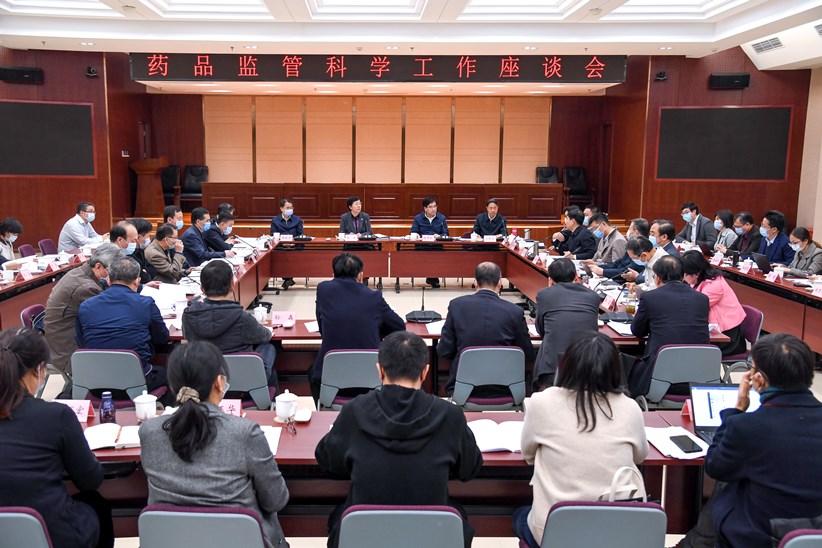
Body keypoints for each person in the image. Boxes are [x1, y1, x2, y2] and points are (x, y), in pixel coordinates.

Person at [315, 331, 483, 548]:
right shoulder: (450, 416)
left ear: (380, 371)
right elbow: (469, 469)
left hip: (366, 536)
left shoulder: (354, 411)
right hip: (431, 535)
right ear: (425, 372)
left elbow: (328, 461)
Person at [139, 341, 289, 548]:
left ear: (172, 387)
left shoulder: (149, 432)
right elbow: (276, 500)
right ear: (219, 382)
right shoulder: (244, 432)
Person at [680, 334, 822, 548]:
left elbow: (715, 466)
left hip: (761, 537)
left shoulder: (747, 427)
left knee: (727, 485)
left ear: (759, 380)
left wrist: (737, 409)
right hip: (814, 534)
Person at [513, 332, 648, 548]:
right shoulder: (630, 407)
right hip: (615, 531)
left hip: (555, 533)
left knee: (519, 517)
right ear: (615, 369)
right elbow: (640, 456)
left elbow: (528, 454)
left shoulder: (541, 403)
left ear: (566, 366)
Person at [0, 328, 114, 548]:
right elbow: (90, 481)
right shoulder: (56, 415)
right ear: (39, 370)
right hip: (53, 535)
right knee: (95, 504)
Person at [310, 253, 405, 401]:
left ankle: (323, 409)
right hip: (370, 381)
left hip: (331, 380)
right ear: (361, 276)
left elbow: (323, 328)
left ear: (333, 274)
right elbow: (399, 327)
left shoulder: (323, 290)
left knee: (312, 372)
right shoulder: (374, 297)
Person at [438, 262, 535, 396]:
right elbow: (528, 354)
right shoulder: (515, 311)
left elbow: (444, 351)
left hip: (463, 389)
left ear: (475, 282)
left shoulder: (457, 306)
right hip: (505, 389)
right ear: (500, 283)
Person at [76, 257, 169, 393]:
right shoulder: (146, 303)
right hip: (138, 382)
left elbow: (82, 342)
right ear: (137, 281)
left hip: (96, 384)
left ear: (108, 280)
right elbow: (162, 337)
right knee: (172, 370)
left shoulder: (85, 306)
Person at [182, 260, 278, 390]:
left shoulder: (188, 315)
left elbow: (186, 336)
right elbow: (265, 336)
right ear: (232, 285)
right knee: (268, 347)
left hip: (204, 381)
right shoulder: (242, 317)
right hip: (245, 382)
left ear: (202, 289)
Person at [626, 255, 709, 397]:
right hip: (699, 375)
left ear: (657, 278)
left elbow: (637, 331)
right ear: (682, 276)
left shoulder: (650, 297)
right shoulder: (702, 299)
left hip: (659, 375)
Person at [44, 243, 125, 376]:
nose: (115, 276)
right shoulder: (86, 288)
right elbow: (109, 317)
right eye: (112, 272)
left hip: (68, 335)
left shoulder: (83, 271)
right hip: (68, 349)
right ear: (98, 266)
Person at [531, 258, 601, 390]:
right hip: (588, 366)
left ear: (550, 279)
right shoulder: (593, 296)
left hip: (553, 369)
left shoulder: (544, 294)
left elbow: (541, 329)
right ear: (576, 276)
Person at [681, 250, 747, 357]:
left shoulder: (715, 284)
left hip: (727, 338)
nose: (683, 278)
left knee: (688, 349)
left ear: (697, 273)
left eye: (685, 274)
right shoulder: (698, 280)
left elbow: (695, 308)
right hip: (712, 333)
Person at [411, 196, 449, 288]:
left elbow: (446, 234)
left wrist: (439, 236)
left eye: (435, 206)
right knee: (428, 254)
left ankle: (432, 277)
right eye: (430, 207)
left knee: (435, 254)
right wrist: (417, 235)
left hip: (437, 247)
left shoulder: (441, 218)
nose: (433, 209)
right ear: (425, 208)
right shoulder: (418, 218)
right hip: (422, 247)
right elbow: (413, 231)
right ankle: (432, 277)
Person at [269, 198, 304, 290]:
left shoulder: (297, 220)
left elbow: (300, 235)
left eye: (291, 207)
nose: (290, 209)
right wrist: (283, 243)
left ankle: (287, 278)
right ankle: (288, 278)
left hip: (295, 245)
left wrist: (293, 243)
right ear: (281, 209)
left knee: (293, 252)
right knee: (281, 253)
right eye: (287, 208)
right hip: (281, 246)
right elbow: (273, 235)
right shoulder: (275, 220)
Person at [129, 217, 154, 284]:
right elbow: (144, 277)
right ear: (138, 237)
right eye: (147, 236)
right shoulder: (130, 253)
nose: (149, 239)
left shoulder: (142, 251)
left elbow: (151, 272)